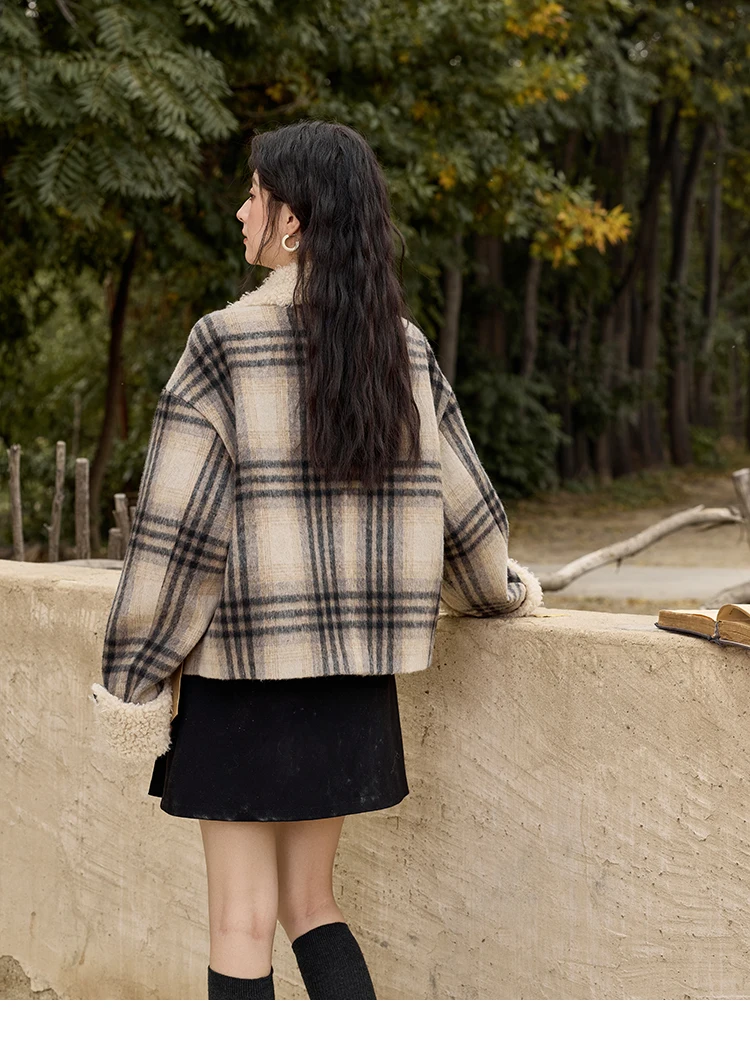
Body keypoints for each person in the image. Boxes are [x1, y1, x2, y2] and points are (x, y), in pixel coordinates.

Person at [89, 119, 543, 1001]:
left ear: (291, 220)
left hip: (242, 682)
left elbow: (176, 541)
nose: (240, 211)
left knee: (240, 921)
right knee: (313, 903)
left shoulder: (224, 343)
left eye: (254, 195)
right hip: (352, 686)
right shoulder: (401, 346)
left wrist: (131, 681)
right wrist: (502, 592)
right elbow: (468, 516)